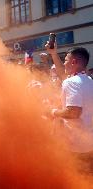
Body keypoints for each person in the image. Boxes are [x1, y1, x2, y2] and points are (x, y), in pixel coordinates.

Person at [46, 44, 93, 174]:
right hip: (89, 144)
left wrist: (53, 112)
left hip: (76, 146)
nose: (64, 63)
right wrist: (54, 54)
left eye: (65, 60)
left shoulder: (72, 82)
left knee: (77, 177)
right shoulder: (88, 79)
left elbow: (73, 112)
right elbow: (64, 76)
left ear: (73, 62)